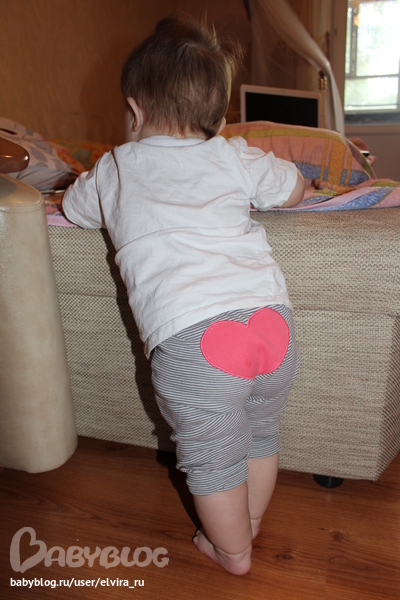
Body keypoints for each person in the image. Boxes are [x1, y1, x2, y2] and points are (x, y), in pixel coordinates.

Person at [63, 13, 304, 576]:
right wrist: (294, 185)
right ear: (218, 117)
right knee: (260, 433)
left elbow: (74, 209)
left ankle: (233, 552)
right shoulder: (234, 153)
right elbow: (292, 187)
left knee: (212, 458)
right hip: (274, 325)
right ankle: (249, 522)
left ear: (135, 111)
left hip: (196, 339)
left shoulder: (115, 166)